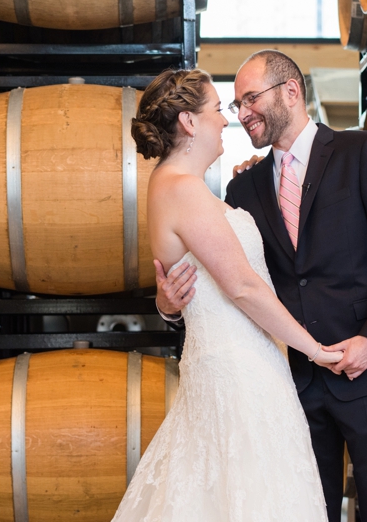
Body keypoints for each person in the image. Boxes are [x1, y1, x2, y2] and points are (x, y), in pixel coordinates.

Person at [156, 50, 367, 522]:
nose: (242, 113)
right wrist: (168, 306)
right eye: (235, 105)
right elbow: (225, 284)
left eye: (250, 98)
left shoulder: (361, 152)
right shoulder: (240, 192)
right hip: (294, 386)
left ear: (292, 91)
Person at [112, 67, 342, 522]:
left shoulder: (178, 186)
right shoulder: (181, 189)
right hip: (239, 373)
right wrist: (315, 350)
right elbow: (241, 286)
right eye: (218, 109)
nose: (227, 119)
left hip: (230, 365)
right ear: (189, 123)